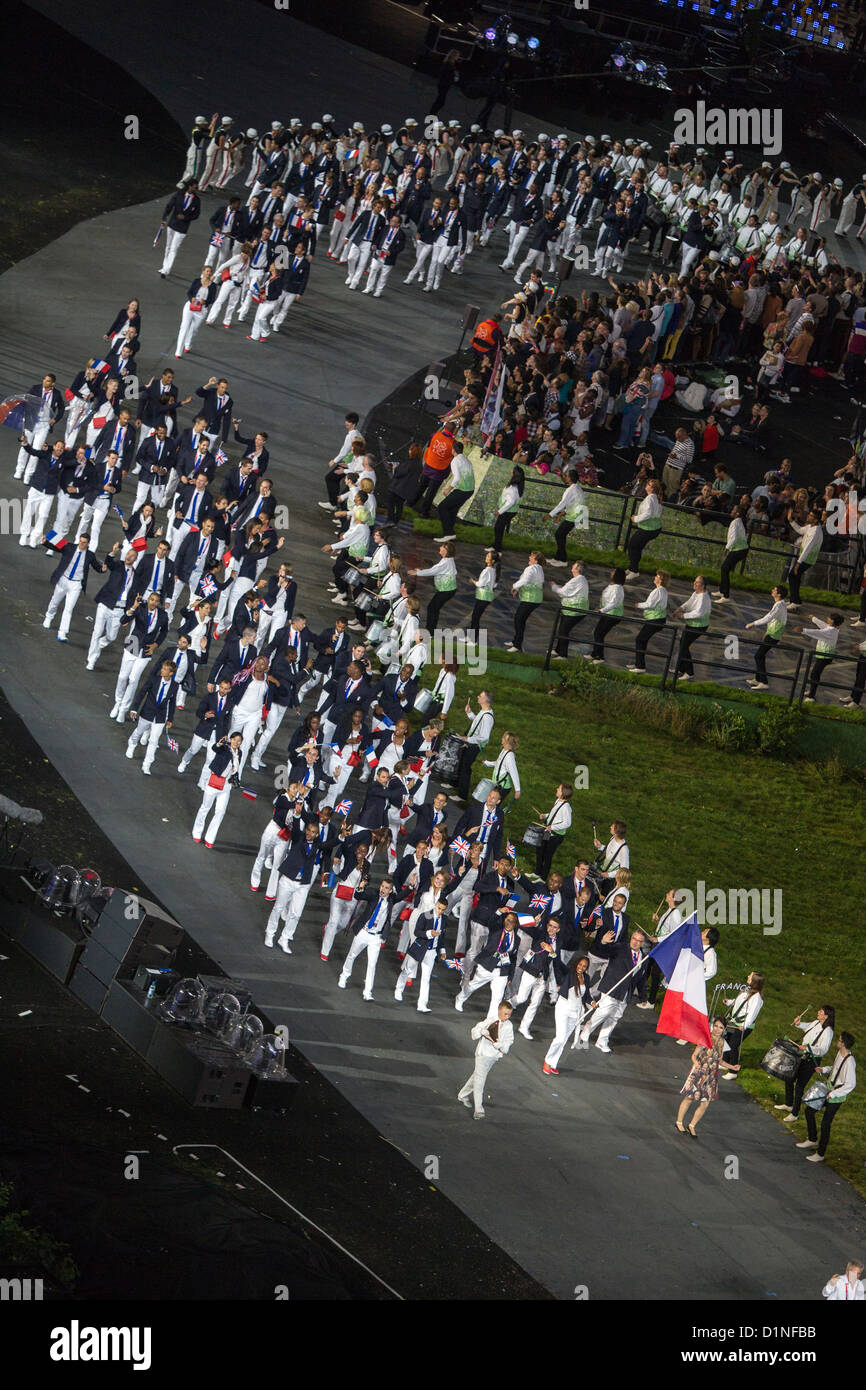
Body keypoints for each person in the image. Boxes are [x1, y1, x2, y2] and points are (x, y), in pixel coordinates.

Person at [578, 927, 647, 1053]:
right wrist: (603, 942)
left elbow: (641, 979)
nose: (635, 942)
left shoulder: (644, 957)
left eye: (639, 941)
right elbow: (604, 951)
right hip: (612, 987)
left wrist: (643, 997)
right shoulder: (620, 948)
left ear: (642, 943)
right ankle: (585, 1032)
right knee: (603, 1012)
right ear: (631, 938)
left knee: (614, 1017)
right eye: (634, 939)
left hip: (626, 993)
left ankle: (602, 1041)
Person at [801, 1033, 857, 1163]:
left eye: (839, 1040)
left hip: (835, 1097)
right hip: (828, 1089)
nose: (837, 1041)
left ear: (843, 1043)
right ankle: (812, 1139)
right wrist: (824, 1069)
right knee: (809, 1111)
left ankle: (820, 1154)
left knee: (826, 1124)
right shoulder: (839, 1054)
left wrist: (833, 1094)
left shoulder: (850, 1062)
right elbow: (835, 1069)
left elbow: (851, 1084)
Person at [338, 877, 396, 1001]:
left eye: (386, 888)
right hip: (363, 932)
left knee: (372, 964)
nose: (383, 889)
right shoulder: (373, 894)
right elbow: (359, 896)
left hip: (376, 937)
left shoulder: (391, 900)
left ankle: (368, 992)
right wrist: (361, 886)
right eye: (382, 886)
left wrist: (411, 887)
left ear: (390, 891)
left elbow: (402, 895)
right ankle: (344, 975)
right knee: (352, 955)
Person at [775, 1006, 835, 1119]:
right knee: (789, 1077)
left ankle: (795, 1113)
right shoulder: (816, 1022)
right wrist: (798, 1023)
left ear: (826, 1016)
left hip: (812, 1060)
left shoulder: (828, 1031)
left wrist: (808, 1048)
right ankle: (788, 1104)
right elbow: (807, 1027)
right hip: (802, 1056)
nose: (818, 1012)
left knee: (799, 1086)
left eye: (821, 1011)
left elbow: (823, 1049)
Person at [457, 1000, 514, 1120]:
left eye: (509, 1014)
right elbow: (474, 1032)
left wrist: (501, 1046)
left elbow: (509, 1042)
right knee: (480, 1081)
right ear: (499, 1011)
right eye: (505, 1014)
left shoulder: (509, 1026)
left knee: (477, 1076)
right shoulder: (490, 1020)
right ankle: (479, 1109)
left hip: (494, 1057)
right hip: (483, 1055)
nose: (507, 1016)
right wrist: (480, 1032)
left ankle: (462, 1095)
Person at [676, 1016, 728, 1135]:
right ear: (712, 1026)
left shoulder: (722, 1042)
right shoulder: (705, 1038)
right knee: (689, 1097)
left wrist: (732, 1067)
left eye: (721, 1027)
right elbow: (694, 1055)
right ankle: (679, 1122)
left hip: (711, 1076)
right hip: (699, 1072)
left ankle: (692, 1125)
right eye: (716, 1026)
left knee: (705, 1102)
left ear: (724, 1030)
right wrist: (696, 1064)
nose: (717, 1029)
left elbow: (720, 1061)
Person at [192, 731, 242, 848]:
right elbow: (215, 748)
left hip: (226, 785)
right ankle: (197, 832)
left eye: (239, 741)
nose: (236, 742)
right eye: (234, 739)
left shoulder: (240, 752)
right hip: (214, 782)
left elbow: (235, 767)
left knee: (220, 812)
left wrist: (235, 779)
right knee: (205, 808)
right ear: (230, 739)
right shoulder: (224, 748)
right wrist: (219, 744)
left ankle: (210, 838)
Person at [543, 953, 592, 1074]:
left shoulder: (586, 978)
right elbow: (558, 964)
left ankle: (553, 1063)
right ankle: (547, 1061)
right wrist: (553, 953)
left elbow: (586, 996)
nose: (581, 967)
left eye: (584, 966)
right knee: (559, 1038)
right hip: (563, 1008)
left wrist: (593, 1002)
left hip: (576, 1012)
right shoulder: (569, 973)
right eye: (580, 964)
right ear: (576, 963)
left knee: (564, 1039)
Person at [721, 972, 765, 1078]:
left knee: (733, 1045)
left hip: (743, 1026)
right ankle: (725, 1063)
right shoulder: (746, 990)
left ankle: (733, 1071)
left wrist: (744, 1025)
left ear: (755, 980)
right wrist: (728, 1002)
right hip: (734, 1022)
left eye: (750, 976)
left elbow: (752, 1013)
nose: (748, 977)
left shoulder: (757, 997)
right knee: (726, 1042)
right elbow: (738, 1002)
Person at [746, 585, 788, 690]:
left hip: (773, 635)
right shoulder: (780, 604)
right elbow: (773, 619)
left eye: (775, 590)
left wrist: (753, 623)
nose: (772, 590)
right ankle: (758, 678)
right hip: (772, 634)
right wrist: (767, 631)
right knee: (760, 655)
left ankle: (763, 682)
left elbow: (769, 617)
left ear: (779, 594)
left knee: (758, 656)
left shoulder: (779, 606)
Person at [628, 570, 670, 673]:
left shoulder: (658, 591)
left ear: (660, 579)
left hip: (654, 620)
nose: (655, 577)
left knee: (640, 639)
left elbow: (650, 604)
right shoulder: (663, 590)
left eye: (657, 576)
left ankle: (640, 666)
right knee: (643, 640)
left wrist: (638, 605)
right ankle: (639, 663)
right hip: (658, 619)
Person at [159, 180, 201, 277]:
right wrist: (164, 218)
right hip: (172, 224)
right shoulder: (179, 194)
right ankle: (164, 266)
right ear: (189, 186)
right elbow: (169, 206)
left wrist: (185, 218)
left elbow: (196, 214)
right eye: (195, 187)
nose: (196, 189)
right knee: (168, 246)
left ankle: (166, 270)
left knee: (174, 248)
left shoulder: (197, 200)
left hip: (183, 227)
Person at [673, 575, 711, 681]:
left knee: (684, 646)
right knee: (683, 644)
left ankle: (689, 672)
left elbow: (698, 613)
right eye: (695, 581)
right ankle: (681, 668)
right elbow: (689, 603)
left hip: (699, 626)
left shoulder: (703, 597)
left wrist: (683, 615)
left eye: (697, 582)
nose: (694, 583)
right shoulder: (696, 593)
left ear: (703, 586)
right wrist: (681, 608)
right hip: (692, 624)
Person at [551, 560, 590, 659]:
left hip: (574, 610)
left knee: (564, 631)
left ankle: (563, 655)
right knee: (562, 629)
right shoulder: (580, 579)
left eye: (574, 565)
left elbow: (562, 592)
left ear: (577, 569)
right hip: (573, 610)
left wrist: (553, 586)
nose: (572, 566)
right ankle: (558, 650)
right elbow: (569, 590)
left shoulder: (577, 580)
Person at [507, 550, 545, 652]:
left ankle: (517, 645)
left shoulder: (531, 568)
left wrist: (514, 586)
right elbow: (525, 579)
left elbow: (525, 580)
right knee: (520, 619)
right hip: (534, 599)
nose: (529, 557)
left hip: (530, 599)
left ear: (536, 561)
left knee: (519, 619)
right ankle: (516, 641)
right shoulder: (539, 568)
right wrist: (518, 589)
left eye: (531, 557)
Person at [801, 614, 844, 703]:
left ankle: (811, 696)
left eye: (829, 618)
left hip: (825, 656)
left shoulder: (830, 632)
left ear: (832, 621)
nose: (827, 618)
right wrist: (814, 618)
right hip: (823, 656)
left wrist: (803, 630)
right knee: (815, 674)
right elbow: (823, 625)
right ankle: (812, 691)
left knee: (814, 674)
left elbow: (818, 632)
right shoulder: (832, 629)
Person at [534, 783, 573, 878]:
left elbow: (567, 823)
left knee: (548, 856)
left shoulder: (566, 807)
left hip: (556, 836)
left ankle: (543, 877)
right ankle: (537, 872)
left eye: (559, 789)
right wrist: (545, 815)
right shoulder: (558, 801)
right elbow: (554, 814)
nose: (557, 789)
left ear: (563, 793)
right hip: (548, 832)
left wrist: (553, 827)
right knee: (540, 850)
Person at [589, 566, 626, 664]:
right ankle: (595, 653)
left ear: (617, 575)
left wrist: (602, 610)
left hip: (613, 615)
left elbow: (613, 603)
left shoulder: (617, 588)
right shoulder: (612, 586)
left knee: (599, 634)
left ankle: (600, 657)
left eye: (613, 572)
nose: (611, 572)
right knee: (597, 632)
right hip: (607, 613)